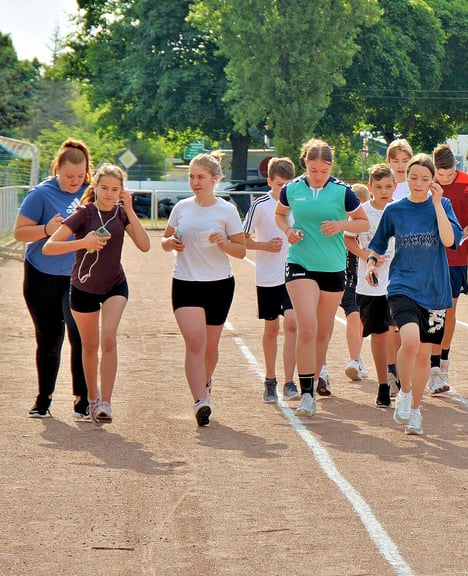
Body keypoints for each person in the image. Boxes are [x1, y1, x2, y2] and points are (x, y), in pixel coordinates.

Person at [42, 163, 150, 423]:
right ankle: (92, 400)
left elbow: (145, 246)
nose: (110, 194)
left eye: (115, 189)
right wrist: (84, 242)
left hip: (115, 285)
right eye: (105, 188)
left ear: (122, 191)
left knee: (109, 339)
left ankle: (106, 404)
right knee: (90, 347)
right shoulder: (83, 214)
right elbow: (49, 247)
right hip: (83, 287)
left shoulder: (122, 214)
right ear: (96, 187)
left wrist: (131, 211)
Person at [366, 154, 463, 435]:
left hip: (435, 290)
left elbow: (449, 240)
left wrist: (436, 205)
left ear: (432, 181)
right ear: (405, 178)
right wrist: (371, 265)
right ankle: (405, 393)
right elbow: (378, 245)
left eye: (424, 178)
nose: (418, 183)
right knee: (409, 340)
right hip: (402, 286)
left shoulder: (442, 205)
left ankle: (416, 412)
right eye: (413, 177)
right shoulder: (395, 210)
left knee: (423, 355)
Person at [274, 139, 369, 418]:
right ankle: (305, 395)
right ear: (305, 163)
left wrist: (341, 225)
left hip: (332, 267)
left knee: (323, 331)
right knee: (307, 326)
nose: (318, 176)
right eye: (313, 170)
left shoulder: (343, 192)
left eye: (323, 171)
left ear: (331, 167)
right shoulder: (292, 189)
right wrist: (287, 231)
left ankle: (314, 382)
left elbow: (363, 222)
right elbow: (281, 216)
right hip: (300, 262)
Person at [161, 152, 247, 426]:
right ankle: (200, 400)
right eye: (191, 177)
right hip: (185, 281)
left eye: (201, 177)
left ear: (215, 179)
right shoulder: (182, 207)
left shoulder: (227, 210)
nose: (195, 182)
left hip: (219, 284)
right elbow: (165, 240)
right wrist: (170, 244)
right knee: (195, 342)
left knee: (210, 346)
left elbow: (241, 251)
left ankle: (205, 383)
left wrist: (223, 242)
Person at [14, 139, 92, 419]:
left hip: (78, 276)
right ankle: (43, 398)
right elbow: (20, 233)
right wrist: (46, 228)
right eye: (69, 176)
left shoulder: (90, 194)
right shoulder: (40, 194)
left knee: (80, 336)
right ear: (57, 169)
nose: (75, 181)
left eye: (80, 176)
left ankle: (82, 399)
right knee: (49, 338)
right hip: (41, 274)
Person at [242, 157, 299, 403]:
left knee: (293, 325)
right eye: (279, 184)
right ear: (269, 182)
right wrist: (264, 245)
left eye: (288, 184)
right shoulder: (260, 205)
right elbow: (241, 238)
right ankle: (270, 379)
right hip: (267, 277)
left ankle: (289, 381)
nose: (283, 189)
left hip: (294, 274)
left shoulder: (299, 203)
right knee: (272, 328)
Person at [344, 163, 400, 408]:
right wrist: (366, 255)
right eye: (378, 187)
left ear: (395, 187)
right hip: (371, 284)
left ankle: (398, 376)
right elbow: (348, 238)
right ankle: (383, 385)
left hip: (400, 281)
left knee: (399, 332)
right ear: (371, 187)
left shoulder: (401, 210)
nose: (384, 191)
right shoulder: (362, 212)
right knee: (379, 335)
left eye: (388, 186)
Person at [426, 144, 468, 394]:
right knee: (431, 312)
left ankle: (442, 362)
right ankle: (432, 366)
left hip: (458, 258)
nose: (444, 180)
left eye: (448, 175)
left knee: (449, 310)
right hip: (431, 258)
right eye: (440, 175)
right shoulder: (427, 182)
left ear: (456, 167)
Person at [342, 183, 371, 384]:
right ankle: (352, 360)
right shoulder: (339, 223)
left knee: (358, 319)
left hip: (358, 277)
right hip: (340, 276)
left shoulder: (366, 223)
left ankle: (356, 359)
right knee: (352, 317)